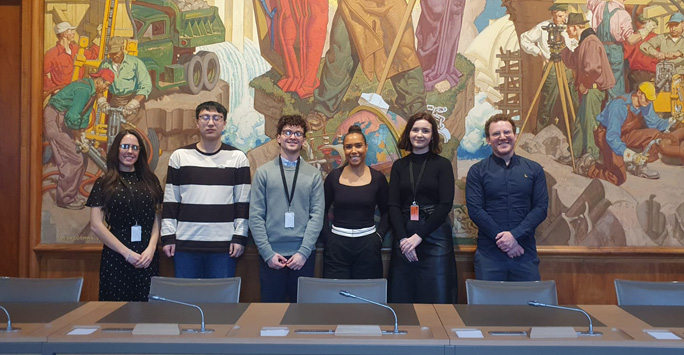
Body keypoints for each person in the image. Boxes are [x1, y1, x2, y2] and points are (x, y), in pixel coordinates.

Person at [161, 101, 250, 278]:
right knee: (187, 302)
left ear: (224, 124)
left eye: (217, 118)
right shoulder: (180, 157)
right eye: (205, 117)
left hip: (224, 247)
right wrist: (168, 237)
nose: (211, 123)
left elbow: (242, 203)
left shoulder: (238, 158)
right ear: (197, 122)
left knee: (221, 303)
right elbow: (171, 201)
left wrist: (239, 237)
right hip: (185, 245)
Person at [306, 0, 426, 130]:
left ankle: (416, 109)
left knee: (403, 53)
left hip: (391, 3)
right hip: (353, 3)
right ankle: (323, 108)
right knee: (340, 52)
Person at [250, 115, 324, 302]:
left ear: (304, 140)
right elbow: (256, 216)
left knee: (301, 315)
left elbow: (317, 216)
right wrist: (267, 253)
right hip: (271, 256)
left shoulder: (314, 175)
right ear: (279, 138)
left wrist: (303, 252)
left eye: (298, 133)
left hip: (303, 256)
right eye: (288, 132)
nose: (293, 137)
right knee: (271, 315)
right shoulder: (263, 173)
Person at [466, 113, 549, 281]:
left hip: (524, 252)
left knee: (529, 305)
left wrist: (515, 237)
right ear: (488, 140)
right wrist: (505, 241)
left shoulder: (534, 169)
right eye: (496, 134)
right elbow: (475, 210)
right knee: (488, 306)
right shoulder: (477, 171)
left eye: (507, 132)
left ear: (515, 136)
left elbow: (540, 209)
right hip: (489, 255)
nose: (502, 137)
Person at [86, 130, 163, 301]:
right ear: (116, 149)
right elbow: (96, 225)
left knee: (147, 311)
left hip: (147, 257)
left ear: (140, 152)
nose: (130, 151)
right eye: (125, 146)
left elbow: (156, 218)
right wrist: (126, 253)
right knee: (114, 314)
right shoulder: (104, 182)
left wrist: (151, 249)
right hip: (116, 256)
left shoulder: (151, 180)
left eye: (135, 148)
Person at [387, 112, 456, 303]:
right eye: (415, 129)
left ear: (432, 136)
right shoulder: (399, 166)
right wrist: (403, 239)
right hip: (404, 237)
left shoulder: (443, 165)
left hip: (435, 237)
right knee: (402, 294)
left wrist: (418, 237)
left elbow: (445, 204)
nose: (420, 134)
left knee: (437, 295)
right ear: (408, 133)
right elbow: (393, 204)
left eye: (425, 131)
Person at [322, 125, 389, 279]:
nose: (354, 151)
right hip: (337, 247)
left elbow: (387, 212)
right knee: (335, 297)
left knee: (367, 297)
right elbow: (322, 211)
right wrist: (328, 239)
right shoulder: (333, 177)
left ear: (366, 147)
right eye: (348, 147)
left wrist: (378, 238)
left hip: (368, 247)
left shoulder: (378, 178)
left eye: (358, 146)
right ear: (344, 150)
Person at [586, 82, 684, 185]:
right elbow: (612, 137)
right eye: (646, 99)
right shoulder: (619, 106)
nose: (648, 102)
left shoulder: (646, 104)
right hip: (608, 137)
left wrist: (672, 120)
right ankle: (589, 168)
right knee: (617, 177)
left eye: (650, 100)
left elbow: (655, 124)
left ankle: (640, 167)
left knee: (654, 134)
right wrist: (631, 156)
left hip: (625, 134)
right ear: (639, 93)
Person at [44, 68, 114, 210]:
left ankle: (72, 194)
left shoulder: (91, 91)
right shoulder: (84, 91)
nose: (106, 88)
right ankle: (65, 199)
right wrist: (77, 139)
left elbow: (83, 116)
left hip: (63, 120)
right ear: (98, 80)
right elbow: (73, 117)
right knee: (75, 159)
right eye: (106, 85)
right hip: (54, 121)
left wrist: (81, 135)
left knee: (83, 156)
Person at [559, 12, 615, 170]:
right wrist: (562, 47)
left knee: (590, 121)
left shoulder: (590, 42)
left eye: (568, 28)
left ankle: (592, 155)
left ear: (575, 27)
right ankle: (575, 153)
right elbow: (573, 60)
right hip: (589, 89)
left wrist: (585, 84)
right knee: (580, 122)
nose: (567, 31)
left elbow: (593, 69)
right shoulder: (584, 42)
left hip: (592, 89)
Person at [519, 3, 579, 130]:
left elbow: (573, 43)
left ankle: (573, 134)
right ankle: (542, 132)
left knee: (571, 100)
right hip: (551, 68)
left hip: (567, 67)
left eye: (564, 16)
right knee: (547, 102)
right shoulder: (542, 27)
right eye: (559, 16)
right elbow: (524, 38)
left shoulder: (567, 27)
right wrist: (539, 53)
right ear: (553, 14)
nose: (562, 19)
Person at [588, 0, 656, 99]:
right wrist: (647, 29)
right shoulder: (622, 14)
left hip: (599, 50)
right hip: (614, 51)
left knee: (602, 84)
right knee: (615, 86)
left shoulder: (599, 6)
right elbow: (631, 40)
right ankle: (614, 110)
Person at [97, 37, 152, 134]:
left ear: (122, 49)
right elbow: (98, 87)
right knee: (114, 136)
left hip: (134, 105)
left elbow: (145, 85)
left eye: (116, 53)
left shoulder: (135, 63)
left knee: (137, 136)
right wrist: (102, 101)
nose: (114, 56)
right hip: (115, 104)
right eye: (111, 54)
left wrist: (134, 103)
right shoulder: (105, 65)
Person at [44, 21, 100, 94]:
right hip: (62, 96)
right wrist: (54, 89)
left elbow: (93, 55)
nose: (74, 32)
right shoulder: (52, 54)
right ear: (65, 34)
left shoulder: (77, 49)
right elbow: (40, 75)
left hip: (79, 94)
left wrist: (98, 37)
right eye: (71, 30)